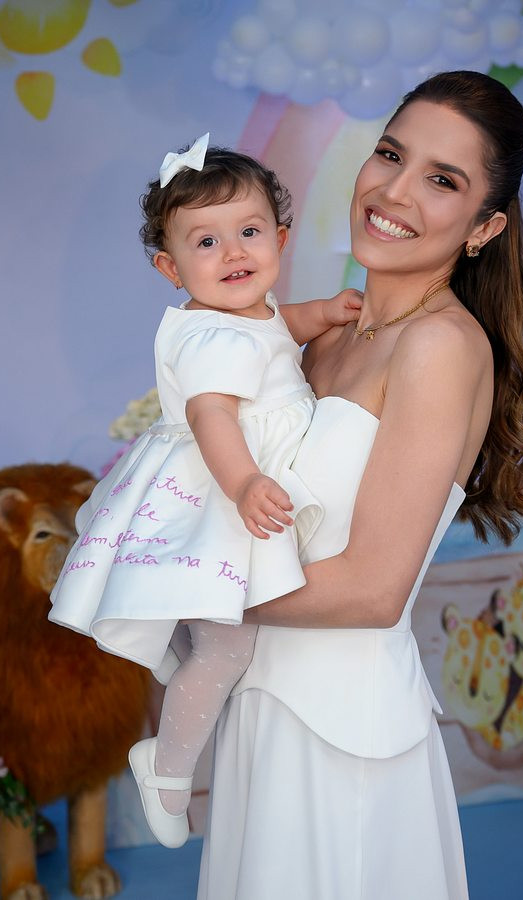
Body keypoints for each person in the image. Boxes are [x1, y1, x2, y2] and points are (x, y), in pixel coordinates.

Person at [197, 70, 523, 900]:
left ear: (484, 227)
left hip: (342, 737)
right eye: (391, 154)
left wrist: (191, 589)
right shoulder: (329, 336)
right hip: (262, 705)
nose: (393, 191)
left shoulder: (441, 346)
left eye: (442, 180)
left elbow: (374, 588)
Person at [48, 133, 360, 849]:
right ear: (170, 267)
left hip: (211, 492)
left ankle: (172, 655)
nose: (234, 253)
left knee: (213, 634)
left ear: (280, 238)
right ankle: (167, 767)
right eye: (207, 242)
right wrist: (245, 481)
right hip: (218, 489)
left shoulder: (241, 315)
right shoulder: (211, 339)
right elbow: (212, 415)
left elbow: (278, 328)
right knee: (226, 650)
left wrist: (325, 313)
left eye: (249, 232)